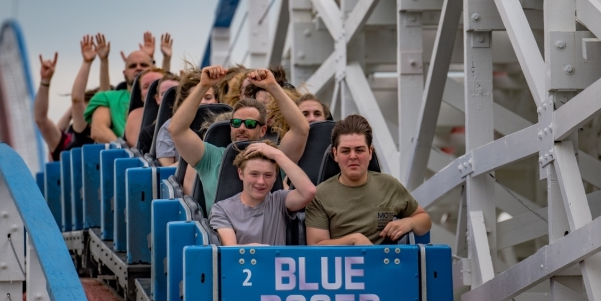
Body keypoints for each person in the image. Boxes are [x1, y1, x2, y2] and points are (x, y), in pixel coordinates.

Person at [170, 66, 309, 212]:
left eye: (250, 124)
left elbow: (301, 129)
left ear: (262, 130)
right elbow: (177, 130)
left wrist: (272, 86)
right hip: (218, 233)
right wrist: (203, 85)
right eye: (236, 123)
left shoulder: (273, 158)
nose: (242, 128)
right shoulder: (210, 157)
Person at [305, 114, 431, 245]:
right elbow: (316, 247)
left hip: (384, 263)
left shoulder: (390, 185)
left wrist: (409, 222)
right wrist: (353, 240)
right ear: (335, 154)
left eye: (359, 150)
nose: (353, 156)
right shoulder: (319, 195)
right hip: (341, 264)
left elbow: (424, 219)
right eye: (345, 151)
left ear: (370, 152)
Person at [209, 142, 316, 246]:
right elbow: (230, 249)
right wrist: (260, 251)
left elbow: (309, 192)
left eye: (268, 175)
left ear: (275, 177)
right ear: (241, 174)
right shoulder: (221, 209)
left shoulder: (279, 200)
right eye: (254, 174)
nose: (261, 181)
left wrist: (277, 154)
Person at [86, 32, 172, 143]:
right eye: (132, 66)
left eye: (144, 65)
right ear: (124, 72)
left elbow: (166, 88)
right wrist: (127, 151)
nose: (138, 68)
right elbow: (98, 130)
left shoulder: (162, 96)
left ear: (153, 68)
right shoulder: (108, 97)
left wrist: (166, 59)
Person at [156, 69, 216, 166]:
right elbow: (166, 169)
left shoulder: (223, 124)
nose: (203, 102)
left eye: (208, 97)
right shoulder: (169, 127)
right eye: (197, 98)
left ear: (216, 100)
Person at [123, 67, 165, 143]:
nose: (151, 89)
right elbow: (138, 146)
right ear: (142, 96)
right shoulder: (135, 114)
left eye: (156, 84)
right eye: (146, 87)